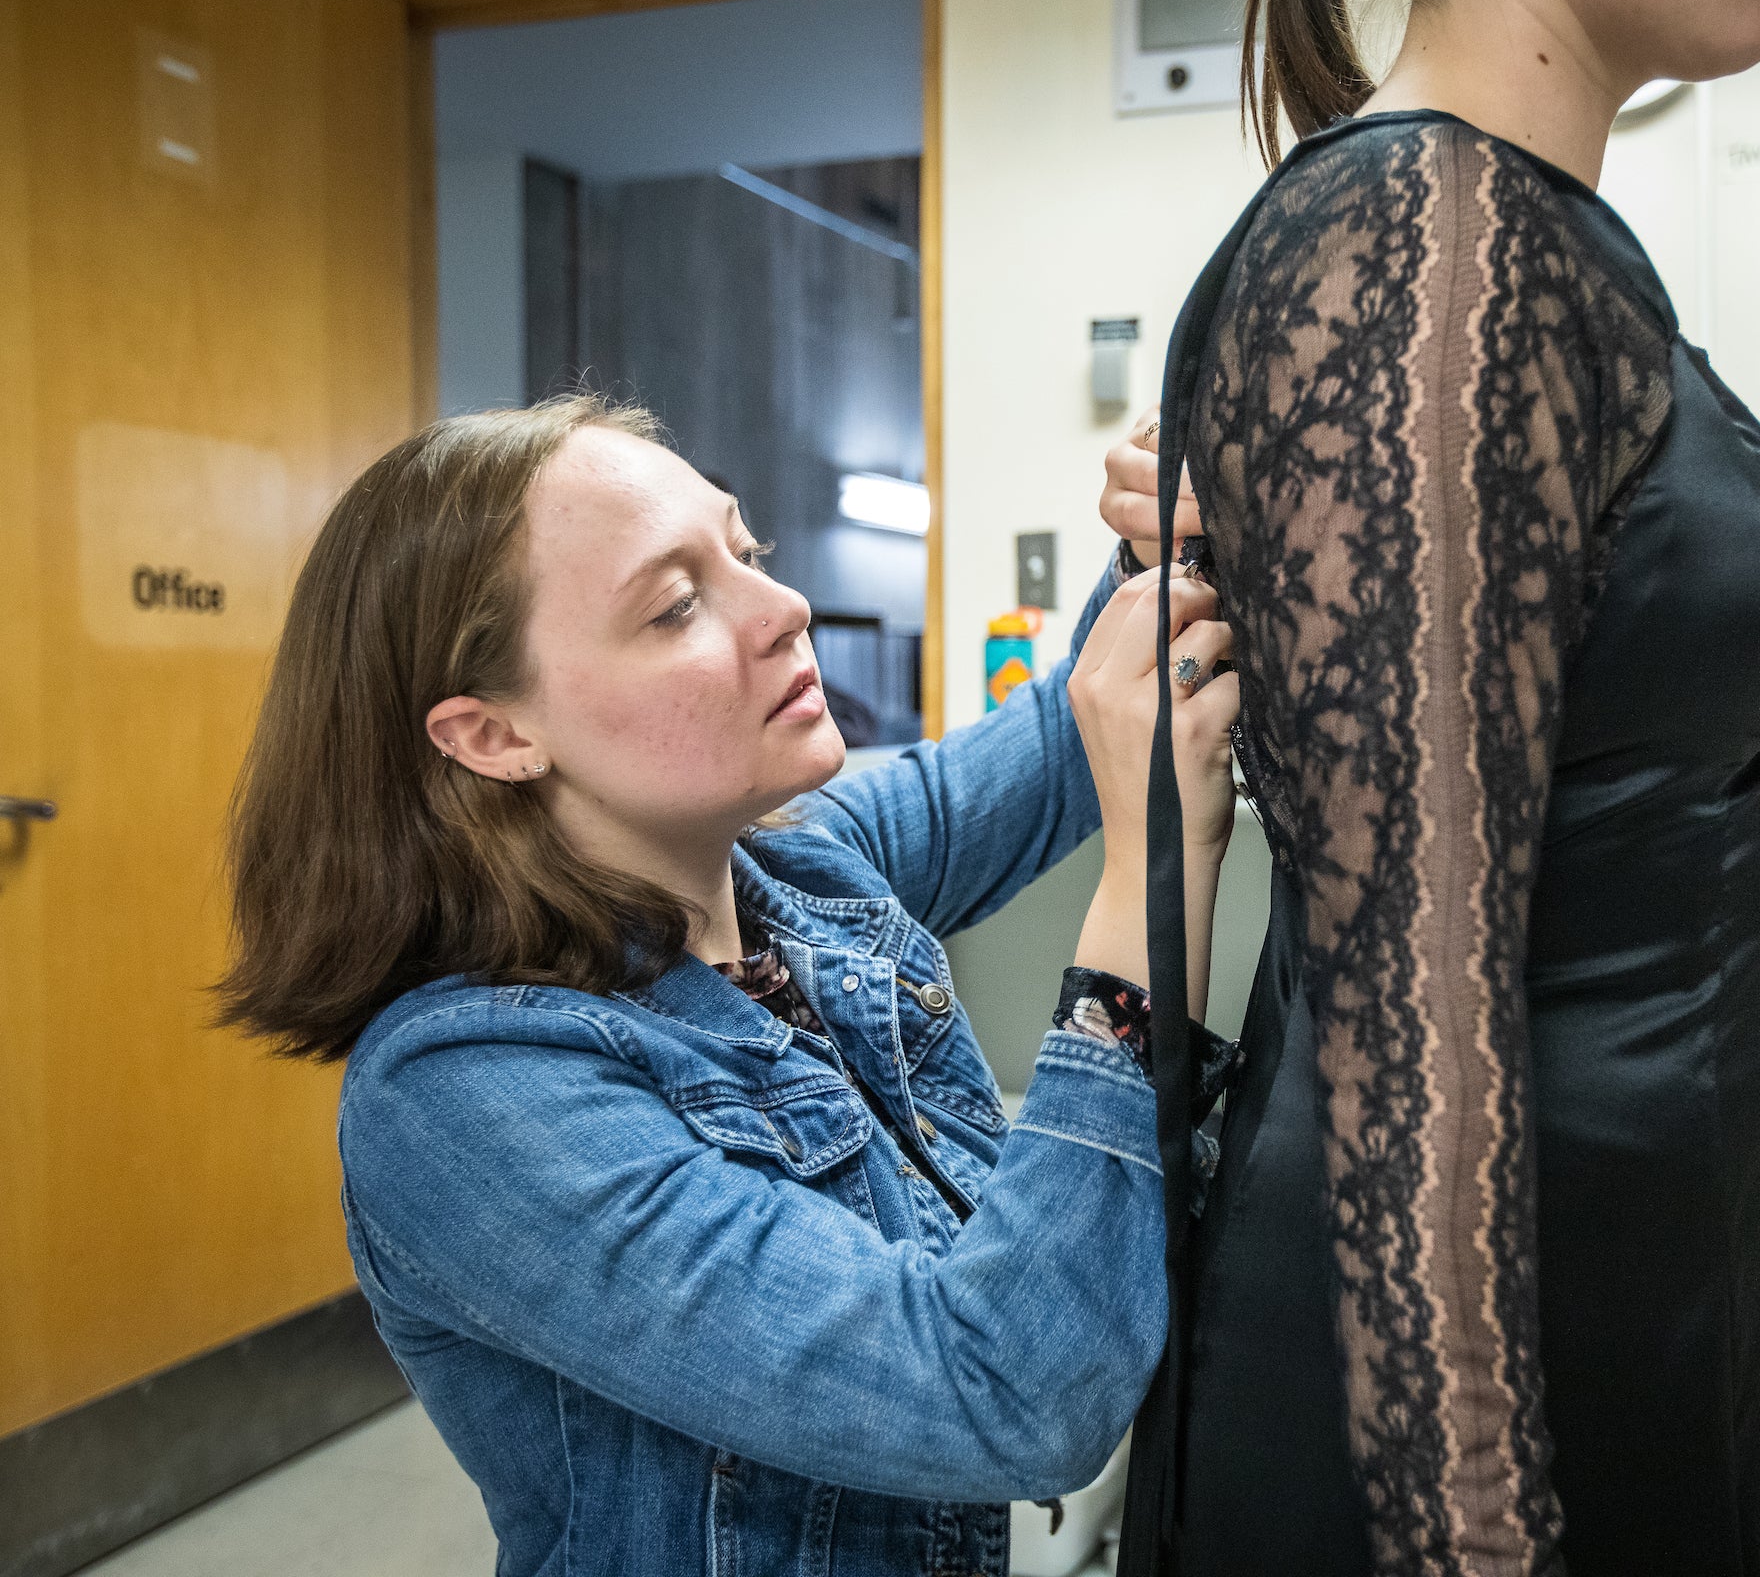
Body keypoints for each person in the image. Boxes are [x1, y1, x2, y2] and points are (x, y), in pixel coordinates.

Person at [218, 395, 1244, 1576]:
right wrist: (1154, 879)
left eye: (744, 554)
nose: (786, 608)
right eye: (674, 605)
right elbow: (1002, 1390)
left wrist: (1160, 550)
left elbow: (1072, 733)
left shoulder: (798, 872)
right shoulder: (465, 1095)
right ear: (493, 735)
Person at [1106, 0, 1760, 1571]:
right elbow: (1409, 1019)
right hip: (1460, 1341)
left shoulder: (1530, 243)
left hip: (1655, 1263)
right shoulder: (1405, 232)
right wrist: (1475, 1527)